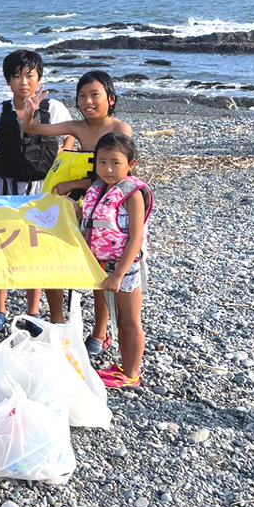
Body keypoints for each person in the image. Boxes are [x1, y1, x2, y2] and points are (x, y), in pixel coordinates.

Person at [20, 71, 133, 327]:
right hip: (76, 202)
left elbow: (116, 175)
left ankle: (100, 331)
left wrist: (74, 184)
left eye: (95, 95)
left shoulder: (120, 129)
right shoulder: (78, 127)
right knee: (54, 256)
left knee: (97, 264)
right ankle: (58, 322)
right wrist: (30, 110)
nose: (87, 101)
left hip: (104, 205)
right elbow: (31, 128)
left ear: (111, 99)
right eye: (82, 96)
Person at [0, 50, 74, 332]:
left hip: (40, 191)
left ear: (39, 79)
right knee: (3, 248)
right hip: (4, 191)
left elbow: (72, 131)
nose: (23, 82)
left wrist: (65, 150)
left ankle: (33, 312)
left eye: (29, 76)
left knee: (36, 248)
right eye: (16, 76)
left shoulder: (54, 109)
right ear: (8, 81)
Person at [78, 132, 152, 389]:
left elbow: (135, 238)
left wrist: (119, 274)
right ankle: (123, 365)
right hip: (101, 264)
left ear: (131, 164)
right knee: (116, 318)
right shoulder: (98, 189)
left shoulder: (132, 195)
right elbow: (88, 217)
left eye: (115, 162)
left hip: (124, 267)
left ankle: (130, 374)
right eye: (102, 162)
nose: (108, 169)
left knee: (128, 320)